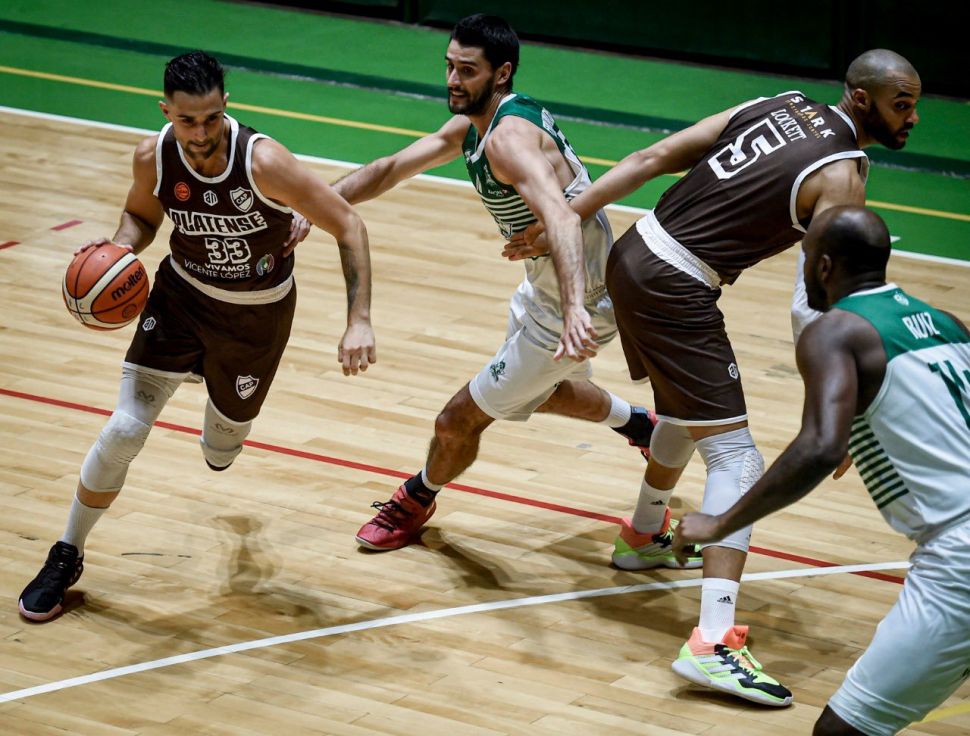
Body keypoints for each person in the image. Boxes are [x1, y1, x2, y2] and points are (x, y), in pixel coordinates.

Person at [510, 49, 921, 705]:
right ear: (865, 100)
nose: (914, 118)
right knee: (737, 456)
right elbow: (811, 304)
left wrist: (568, 214)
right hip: (674, 284)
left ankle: (644, 536)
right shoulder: (841, 175)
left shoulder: (779, 103)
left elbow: (650, 157)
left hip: (636, 252)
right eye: (903, 104)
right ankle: (713, 643)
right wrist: (838, 408)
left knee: (687, 410)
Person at [18, 50, 377, 621]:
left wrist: (358, 319)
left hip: (255, 317)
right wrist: (118, 251)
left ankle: (214, 401)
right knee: (123, 429)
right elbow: (141, 218)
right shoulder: (154, 156)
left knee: (221, 449)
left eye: (212, 118)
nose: (201, 132)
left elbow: (349, 224)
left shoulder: (265, 162)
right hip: (180, 299)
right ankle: (66, 553)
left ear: (225, 106)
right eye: (188, 120)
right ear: (166, 111)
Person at [332, 14, 688, 559]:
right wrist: (316, 205)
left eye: (467, 70)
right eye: (449, 66)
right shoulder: (477, 125)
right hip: (548, 287)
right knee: (541, 391)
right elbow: (390, 168)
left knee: (456, 421)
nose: (453, 80)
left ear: (501, 74)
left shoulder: (508, 141)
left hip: (576, 296)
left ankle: (416, 498)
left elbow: (563, 218)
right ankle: (641, 425)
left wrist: (575, 310)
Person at [673, 205, 970, 735]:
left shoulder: (835, 332)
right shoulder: (947, 324)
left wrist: (719, 523)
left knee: (841, 730)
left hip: (959, 557)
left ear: (825, 265)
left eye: (805, 256)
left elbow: (818, 448)